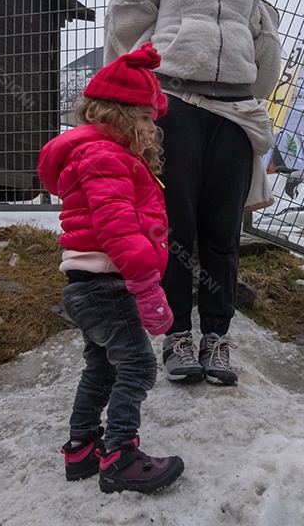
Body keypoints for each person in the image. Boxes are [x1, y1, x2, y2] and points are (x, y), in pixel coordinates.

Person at [104, 0, 281, 386]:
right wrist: (136, 88)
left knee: (223, 233)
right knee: (176, 228)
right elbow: (125, 17)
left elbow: (260, 30)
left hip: (233, 110)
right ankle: (177, 336)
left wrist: (257, 89)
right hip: (175, 106)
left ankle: (217, 339)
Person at [37, 43, 184, 495]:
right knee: (138, 366)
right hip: (109, 284)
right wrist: (143, 283)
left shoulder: (105, 155)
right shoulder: (106, 157)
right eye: (144, 118)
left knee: (101, 367)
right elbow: (117, 226)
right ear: (116, 114)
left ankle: (82, 449)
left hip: (88, 284)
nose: (150, 129)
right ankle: (120, 455)